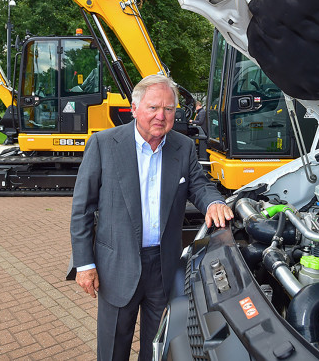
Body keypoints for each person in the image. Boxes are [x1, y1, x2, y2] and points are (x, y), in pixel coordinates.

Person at [70, 74, 233, 361]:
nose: (161, 116)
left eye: (169, 109)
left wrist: (215, 202)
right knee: (112, 350)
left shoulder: (182, 146)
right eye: (153, 107)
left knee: (159, 348)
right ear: (134, 109)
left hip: (163, 267)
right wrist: (84, 264)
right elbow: (82, 209)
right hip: (117, 265)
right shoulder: (104, 144)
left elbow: (200, 185)